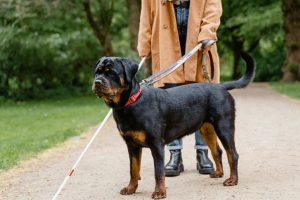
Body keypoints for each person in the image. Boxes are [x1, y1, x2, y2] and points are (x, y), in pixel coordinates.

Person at [137, 0, 222, 176]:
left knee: (202, 102)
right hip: (165, 43)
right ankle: (175, 155)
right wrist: (144, 46)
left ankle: (202, 153)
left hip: (199, 44)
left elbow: (213, 7)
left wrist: (208, 32)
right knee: (168, 102)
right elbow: (146, 16)